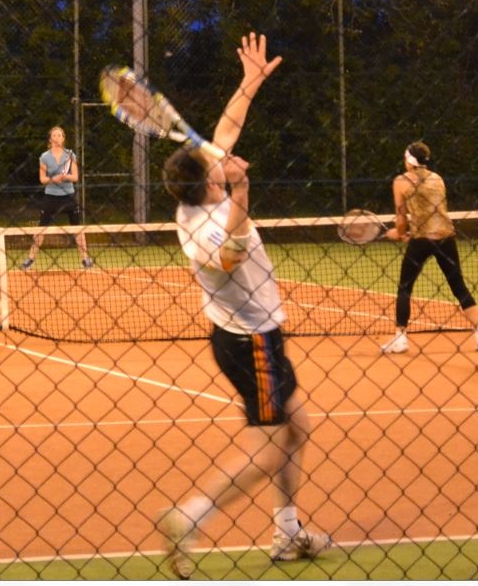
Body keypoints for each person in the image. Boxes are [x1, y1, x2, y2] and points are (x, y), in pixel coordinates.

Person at [157, 32, 333, 579]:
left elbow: (227, 130)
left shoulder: (205, 191)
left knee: (297, 426)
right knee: (268, 448)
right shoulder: (203, 226)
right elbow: (230, 258)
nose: (224, 155)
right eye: (216, 164)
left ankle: (287, 531)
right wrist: (243, 193)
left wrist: (249, 82)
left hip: (257, 335)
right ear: (211, 183)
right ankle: (191, 516)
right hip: (249, 342)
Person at [380, 142, 478, 354]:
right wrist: (410, 232)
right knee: (458, 286)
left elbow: (401, 219)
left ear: (409, 160)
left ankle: (400, 339)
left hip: (421, 240)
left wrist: (400, 233)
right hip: (445, 238)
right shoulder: (437, 179)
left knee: (405, 288)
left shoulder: (401, 181)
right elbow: (431, 212)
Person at [20, 125, 94, 270]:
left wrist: (65, 177)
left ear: (63, 138)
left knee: (78, 229)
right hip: (51, 198)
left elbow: (75, 177)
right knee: (41, 229)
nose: (57, 138)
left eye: (59, 135)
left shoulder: (70, 155)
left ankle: (85, 259)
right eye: (54, 135)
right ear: (50, 139)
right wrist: (53, 179)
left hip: (69, 197)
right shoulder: (44, 157)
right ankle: (30, 259)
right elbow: (42, 179)